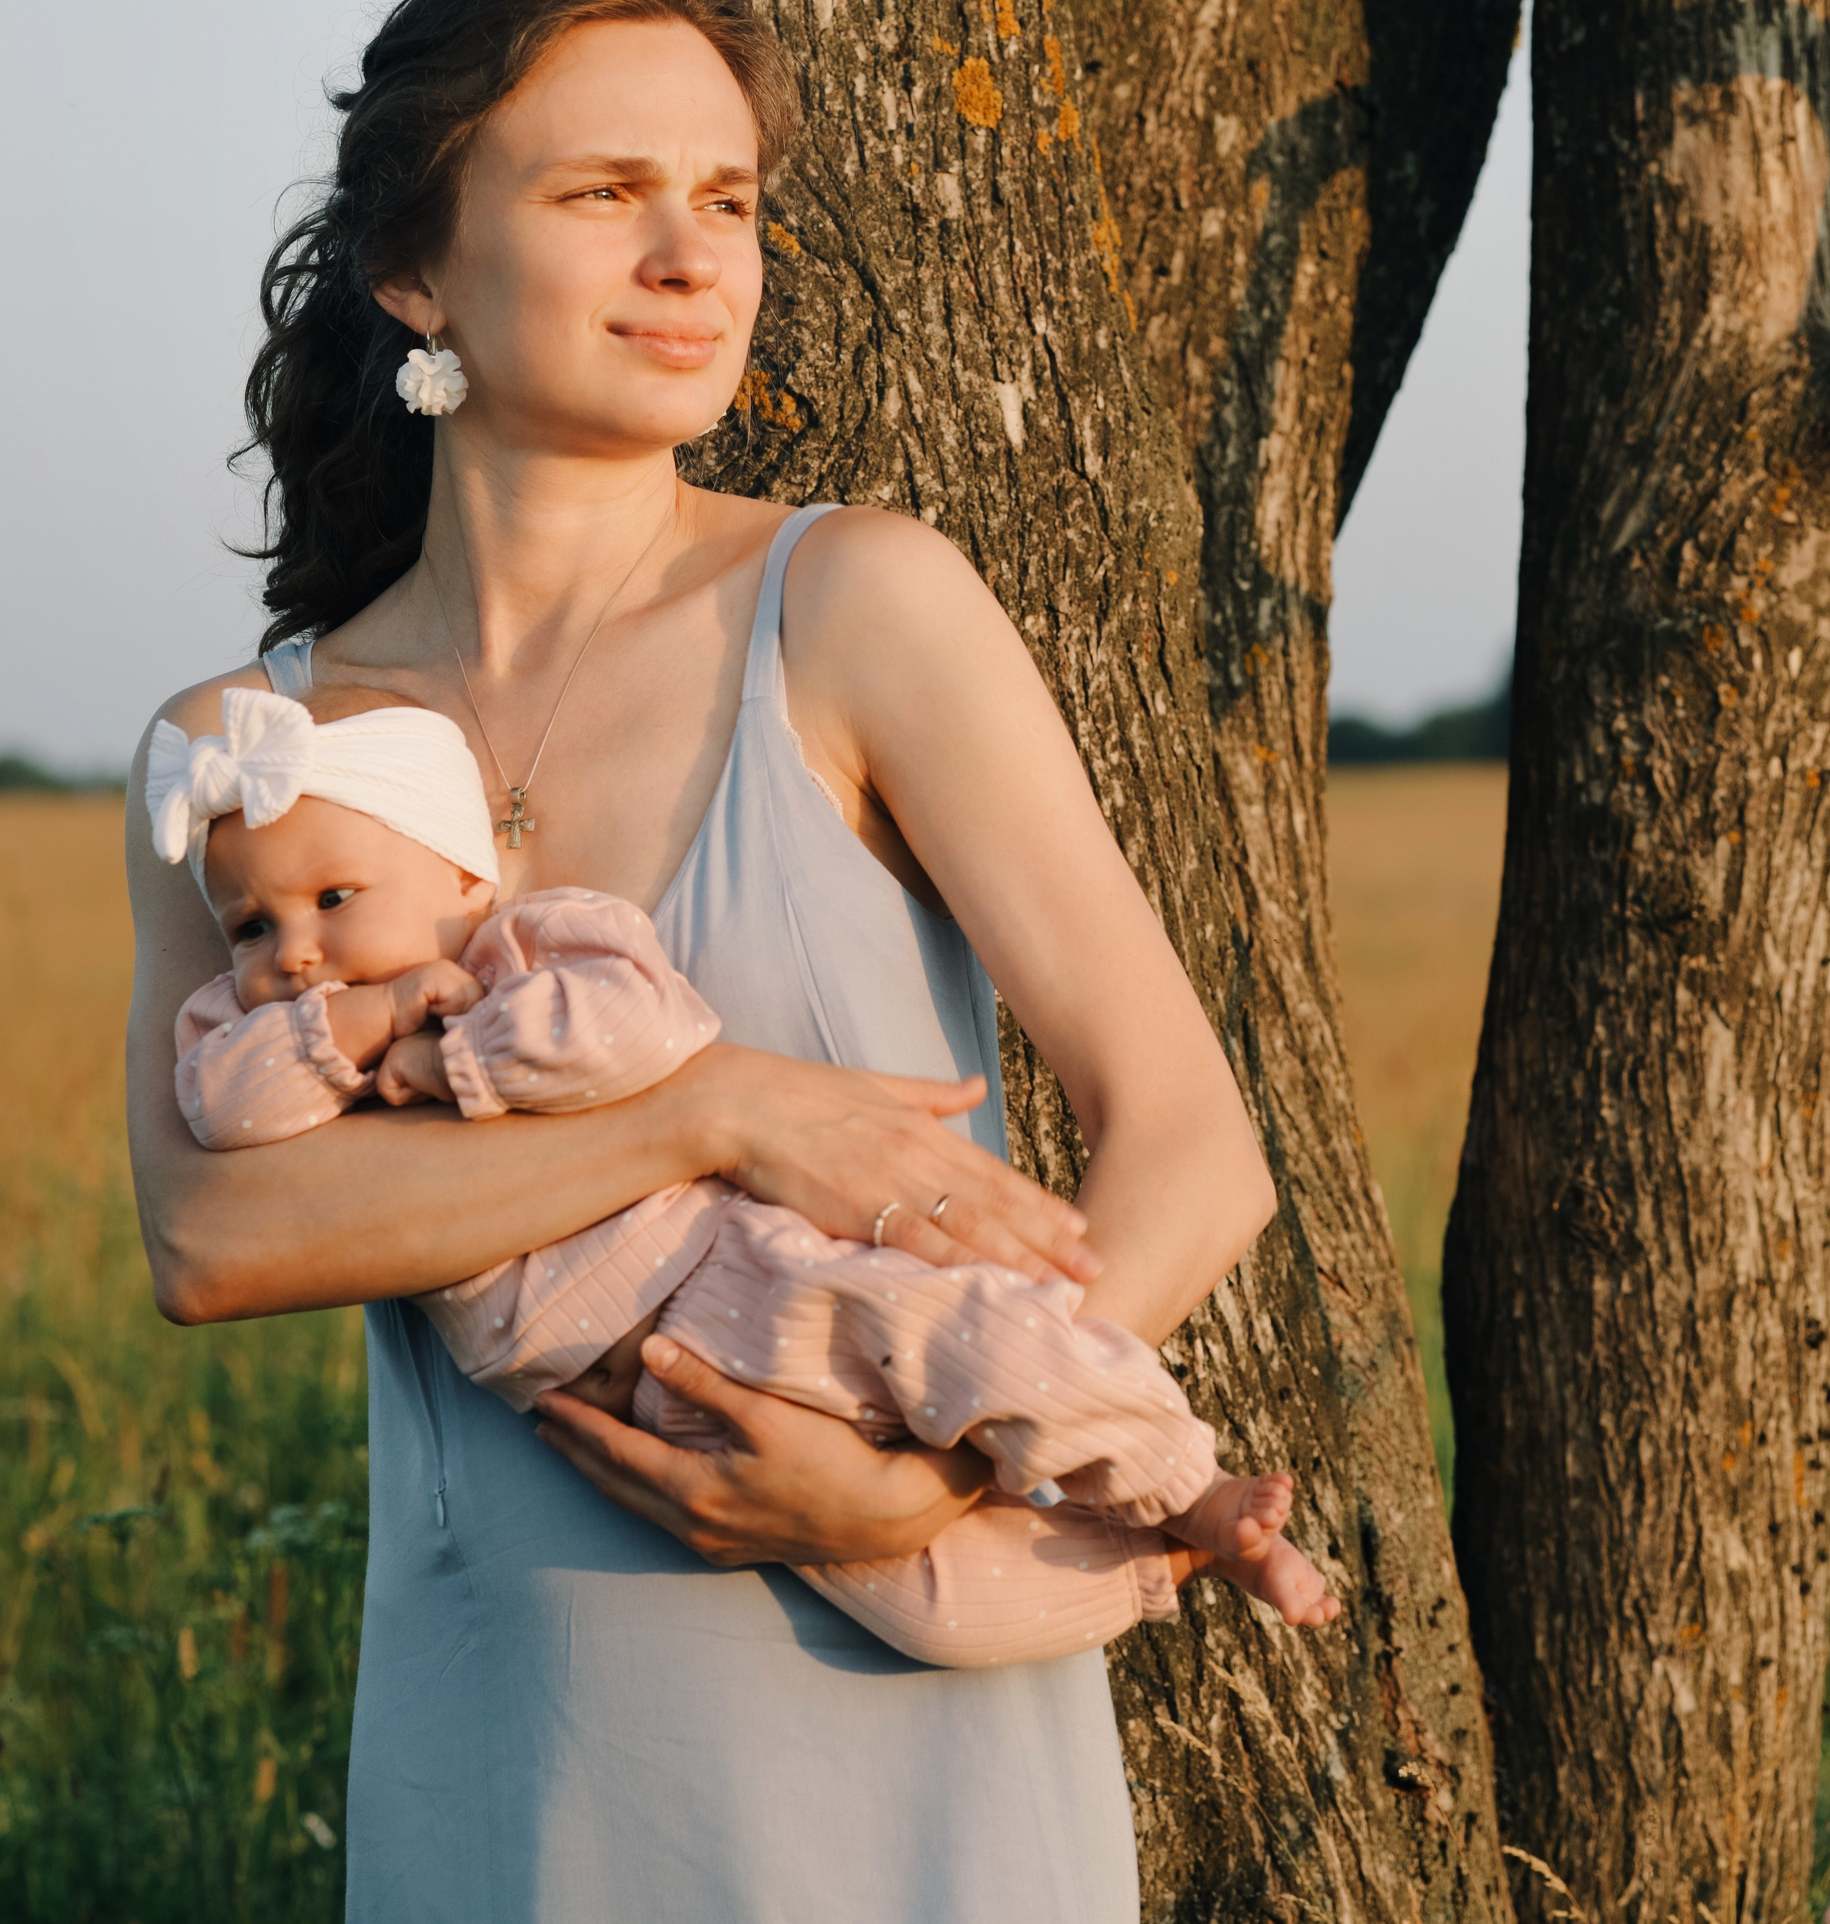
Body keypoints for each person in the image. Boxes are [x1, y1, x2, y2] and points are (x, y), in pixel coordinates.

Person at [121, 2, 1280, 1914]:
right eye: (605, 191)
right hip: (513, 1744)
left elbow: (1190, 1139)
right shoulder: (246, 747)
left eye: (727, 199)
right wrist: (721, 1110)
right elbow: (220, 1237)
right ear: (415, 269)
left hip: (912, 1730)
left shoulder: (859, 603)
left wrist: (925, 1486)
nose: (691, 259)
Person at [146, 680, 1338, 1664]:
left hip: (717, 1275)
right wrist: (360, 1025)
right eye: (250, 927)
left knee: (972, 1343)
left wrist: (449, 1051)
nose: (294, 951)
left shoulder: (528, 946)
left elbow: (636, 1033)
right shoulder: (277, 1032)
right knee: (928, 1613)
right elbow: (216, 1109)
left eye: (335, 900)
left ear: (463, 876)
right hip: (626, 1397)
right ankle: (1155, 1569)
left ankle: (1190, 1490)